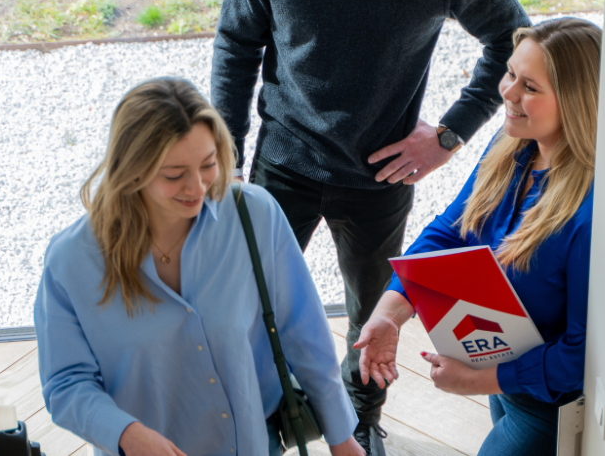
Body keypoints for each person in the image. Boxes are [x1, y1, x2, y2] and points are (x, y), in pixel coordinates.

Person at [210, 0, 530, 451]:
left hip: (380, 177)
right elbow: (236, 44)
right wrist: (225, 158)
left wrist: (450, 134)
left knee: (371, 314)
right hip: (284, 162)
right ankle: (264, 418)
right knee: (250, 305)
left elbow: (514, 39)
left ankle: (360, 418)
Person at [33, 78, 363, 456]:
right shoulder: (72, 260)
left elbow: (303, 334)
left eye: (208, 165)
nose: (197, 188)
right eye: (174, 175)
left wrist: (342, 438)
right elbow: (66, 382)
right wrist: (125, 433)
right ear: (132, 170)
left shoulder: (254, 215)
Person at [355, 17, 600, 455]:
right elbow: (449, 233)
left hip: (548, 407)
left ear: (575, 100)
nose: (507, 92)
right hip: (503, 382)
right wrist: (390, 314)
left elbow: (579, 357)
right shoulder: (510, 150)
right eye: (510, 73)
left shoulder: (590, 212)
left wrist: (474, 379)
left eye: (530, 86)